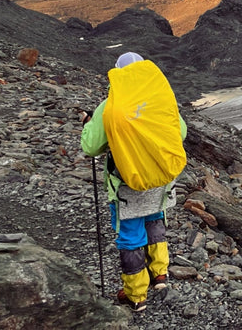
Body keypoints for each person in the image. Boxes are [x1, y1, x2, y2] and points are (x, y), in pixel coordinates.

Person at [81, 51, 187, 313]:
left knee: (130, 236)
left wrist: (88, 125)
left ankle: (136, 294)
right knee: (154, 221)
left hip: (127, 181)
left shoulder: (110, 105)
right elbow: (181, 132)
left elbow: (91, 147)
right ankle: (160, 274)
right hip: (159, 177)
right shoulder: (161, 100)